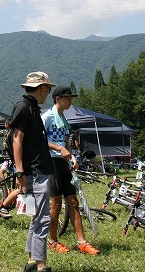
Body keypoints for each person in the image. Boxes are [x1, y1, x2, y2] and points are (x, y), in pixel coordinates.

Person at [42, 86, 99, 255]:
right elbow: (39, 141)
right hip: (51, 162)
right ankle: (52, 241)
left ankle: (82, 242)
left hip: (63, 162)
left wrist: (72, 156)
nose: (71, 101)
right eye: (68, 98)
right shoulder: (47, 117)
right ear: (58, 98)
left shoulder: (63, 118)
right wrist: (59, 149)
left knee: (73, 202)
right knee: (56, 204)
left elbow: (66, 141)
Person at [11, 71, 55, 272]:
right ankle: (40, 265)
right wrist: (20, 172)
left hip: (38, 170)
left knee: (36, 216)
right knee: (43, 218)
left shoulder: (32, 108)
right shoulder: (24, 108)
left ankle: (31, 261)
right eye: (48, 89)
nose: (48, 93)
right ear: (42, 88)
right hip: (34, 171)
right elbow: (16, 139)